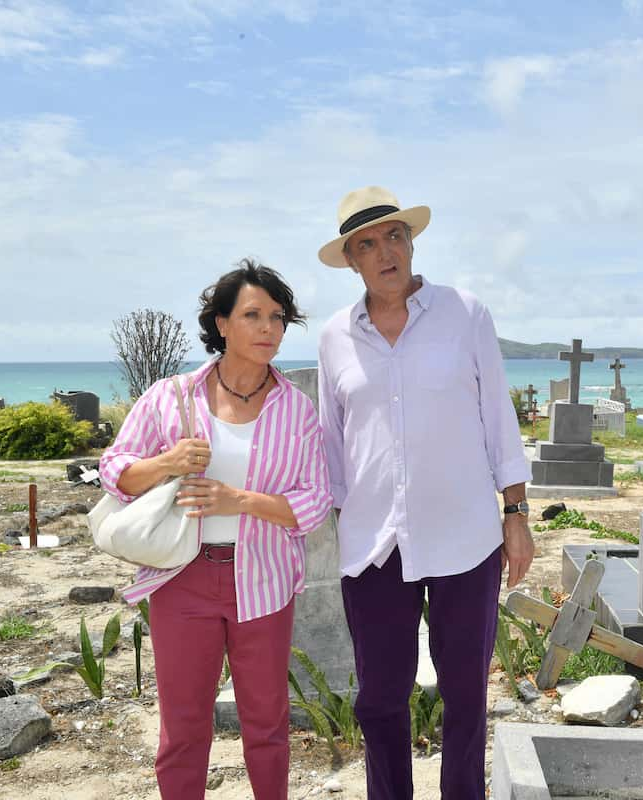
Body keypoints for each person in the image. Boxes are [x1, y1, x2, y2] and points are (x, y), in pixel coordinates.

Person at [316, 186, 534, 800]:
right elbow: (333, 444)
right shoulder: (335, 337)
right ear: (352, 260)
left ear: (411, 243)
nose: (385, 251)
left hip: (465, 536)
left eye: (395, 236)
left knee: (466, 692)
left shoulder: (466, 314)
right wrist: (336, 524)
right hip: (374, 545)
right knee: (379, 698)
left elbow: (499, 418)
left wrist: (515, 514)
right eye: (368, 243)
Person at [99, 259, 333, 799]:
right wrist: (167, 463)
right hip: (181, 579)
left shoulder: (296, 409)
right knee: (183, 726)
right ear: (221, 323)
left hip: (266, 580)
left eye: (277, 317)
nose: (268, 328)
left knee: (268, 724)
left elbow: (315, 503)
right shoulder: (170, 396)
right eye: (252, 315)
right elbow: (116, 473)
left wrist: (238, 500)